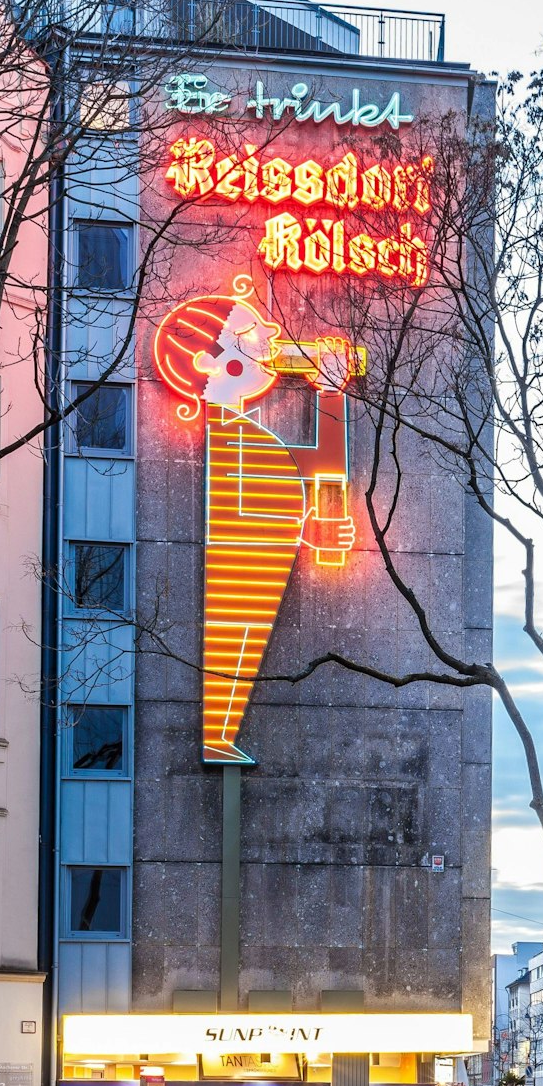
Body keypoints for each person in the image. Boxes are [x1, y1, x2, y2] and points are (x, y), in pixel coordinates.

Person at [150, 275, 359, 763]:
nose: (270, 333)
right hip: (246, 575)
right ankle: (218, 735)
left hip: (258, 569)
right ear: (212, 363)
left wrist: (330, 390)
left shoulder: (244, 436)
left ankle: (220, 734)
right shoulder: (231, 436)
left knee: (242, 644)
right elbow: (308, 473)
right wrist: (329, 391)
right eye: (250, 334)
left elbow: (316, 469)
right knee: (237, 643)